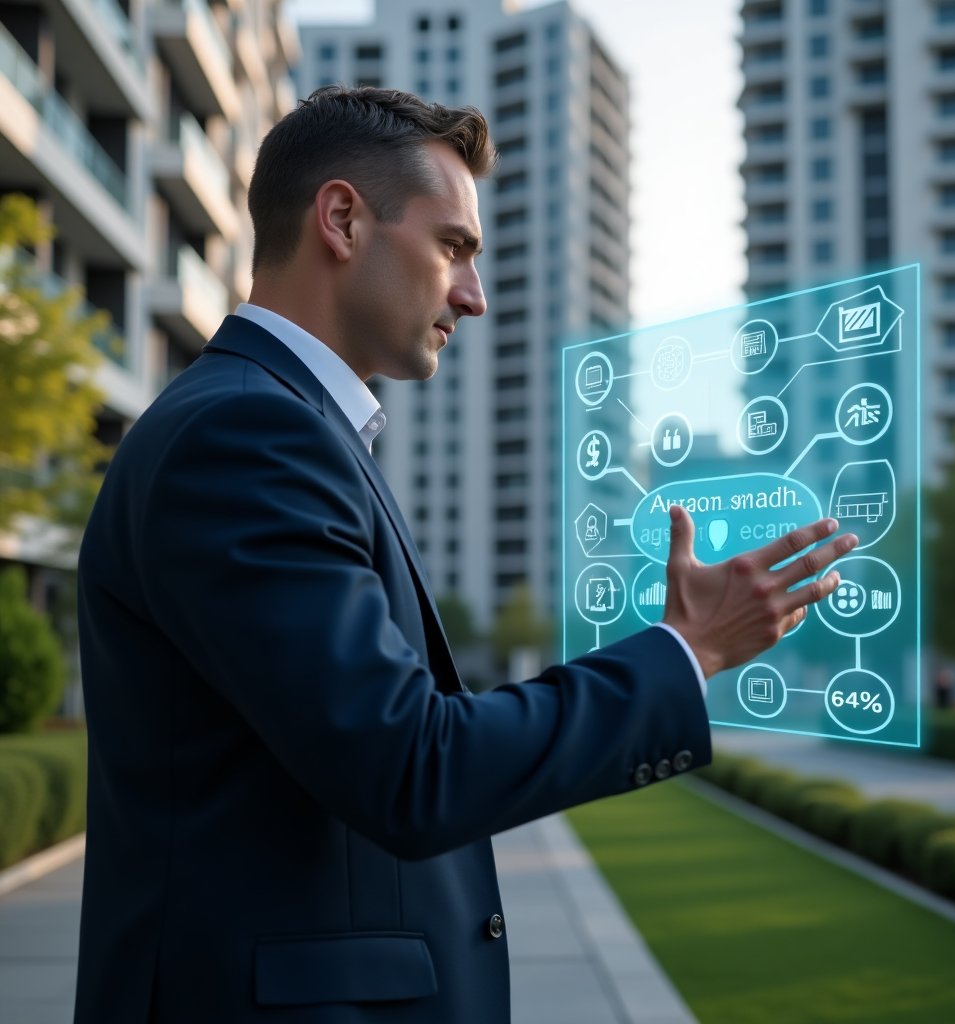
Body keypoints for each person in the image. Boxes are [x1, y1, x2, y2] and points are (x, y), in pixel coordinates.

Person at [73, 87, 856, 1023]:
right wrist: (687, 653)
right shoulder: (249, 435)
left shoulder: (284, 427)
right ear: (342, 219)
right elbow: (412, 767)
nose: (475, 297)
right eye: (453, 247)